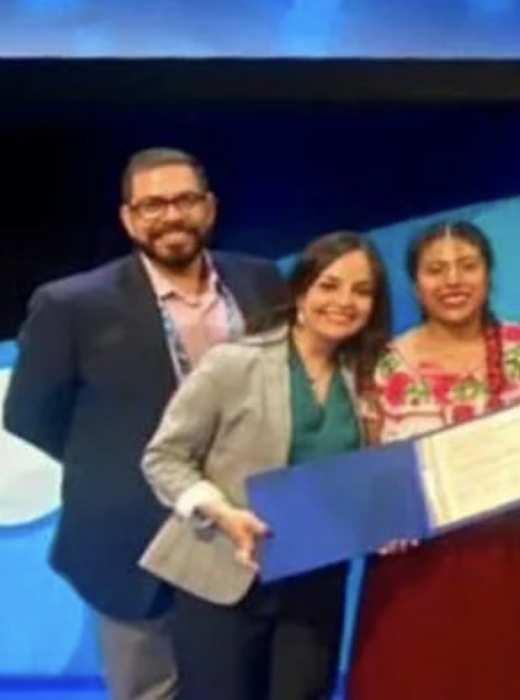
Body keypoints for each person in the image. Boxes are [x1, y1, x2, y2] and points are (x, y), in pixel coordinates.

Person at [2, 147, 285, 700]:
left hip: (248, 528)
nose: (171, 216)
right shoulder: (71, 305)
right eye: (152, 205)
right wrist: (119, 465)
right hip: (133, 537)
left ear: (210, 208)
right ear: (128, 218)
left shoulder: (261, 282)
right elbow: (30, 414)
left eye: (184, 200)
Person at [138, 231, 393, 700]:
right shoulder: (234, 364)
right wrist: (219, 511)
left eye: (362, 291)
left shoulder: (371, 377)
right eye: (330, 285)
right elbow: (164, 457)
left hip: (315, 584)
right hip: (222, 576)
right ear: (301, 290)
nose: (344, 301)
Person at [345, 221, 520, 700]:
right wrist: (383, 516)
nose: (453, 281)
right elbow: (368, 461)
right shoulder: (382, 362)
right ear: (415, 284)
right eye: (435, 270)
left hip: (513, 556)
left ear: (488, 274)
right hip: (416, 565)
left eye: (467, 266)